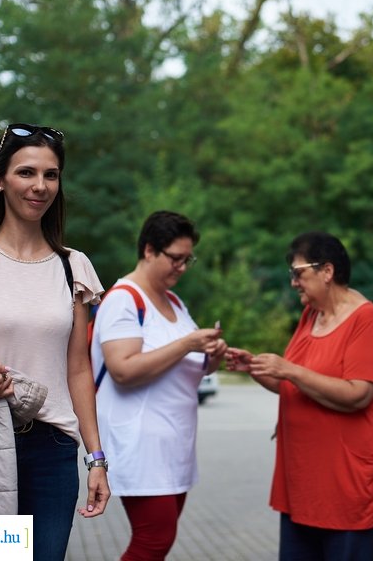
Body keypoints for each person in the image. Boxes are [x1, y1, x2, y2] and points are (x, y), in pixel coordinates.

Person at [0, 123, 110, 560]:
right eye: (26, 173)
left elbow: (79, 370)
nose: (40, 186)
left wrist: (97, 458)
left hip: (52, 451)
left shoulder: (73, 268)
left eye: (51, 175)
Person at [225, 231, 373, 561]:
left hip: (344, 485)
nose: (293, 283)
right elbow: (295, 386)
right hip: (302, 483)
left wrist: (288, 369)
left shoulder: (365, 319)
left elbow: (358, 394)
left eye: (298, 273)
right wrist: (257, 369)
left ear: (327, 271)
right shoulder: (311, 316)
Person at [91, 210, 226, 561]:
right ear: (149, 250)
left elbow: (188, 369)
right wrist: (188, 344)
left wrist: (213, 355)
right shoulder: (124, 299)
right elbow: (123, 370)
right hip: (140, 444)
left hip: (174, 445)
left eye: (187, 259)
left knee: (159, 540)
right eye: (176, 258)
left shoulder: (174, 302)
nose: (182, 267)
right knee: (154, 539)